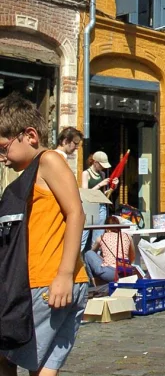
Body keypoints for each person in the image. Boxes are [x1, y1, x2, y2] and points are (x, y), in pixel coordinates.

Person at [0, 92, 88, 376]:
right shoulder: (29, 172)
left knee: (6, 355)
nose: (2, 158)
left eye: (4, 148)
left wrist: (63, 275)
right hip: (49, 281)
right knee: (42, 368)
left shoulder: (48, 160)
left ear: (30, 136)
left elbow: (76, 212)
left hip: (45, 281)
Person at [80, 151, 117, 250]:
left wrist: (113, 187)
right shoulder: (86, 173)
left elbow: (103, 194)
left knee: (98, 237)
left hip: (101, 207)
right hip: (89, 207)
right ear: (95, 162)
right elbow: (85, 193)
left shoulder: (102, 174)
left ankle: (94, 260)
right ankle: (78, 261)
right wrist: (100, 184)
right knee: (83, 236)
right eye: (101, 165)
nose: (102, 167)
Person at [84, 216, 135, 285]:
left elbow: (92, 253)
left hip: (110, 274)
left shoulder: (102, 237)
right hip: (125, 271)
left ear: (106, 227)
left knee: (88, 253)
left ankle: (93, 281)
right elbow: (132, 257)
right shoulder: (128, 236)